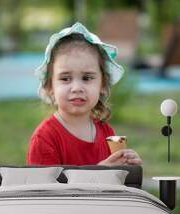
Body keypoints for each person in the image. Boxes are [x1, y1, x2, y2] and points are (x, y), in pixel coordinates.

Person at [27, 22, 142, 166]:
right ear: (50, 87)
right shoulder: (45, 138)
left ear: (102, 85)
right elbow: (45, 188)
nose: (76, 88)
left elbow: (115, 185)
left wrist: (128, 169)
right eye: (65, 78)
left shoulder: (107, 133)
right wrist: (100, 172)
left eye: (87, 78)